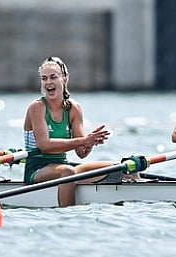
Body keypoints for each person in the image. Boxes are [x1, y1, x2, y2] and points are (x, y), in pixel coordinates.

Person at [22, 56, 117, 207]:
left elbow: (81, 152)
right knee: (68, 172)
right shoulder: (37, 107)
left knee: (118, 168)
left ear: (64, 80)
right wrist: (83, 140)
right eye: (44, 79)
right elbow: (44, 145)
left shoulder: (74, 109)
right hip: (37, 169)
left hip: (62, 166)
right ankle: (68, 215)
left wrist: (90, 142)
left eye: (53, 77)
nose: (48, 83)